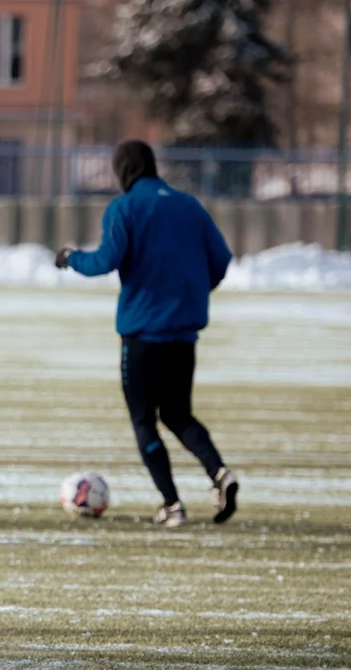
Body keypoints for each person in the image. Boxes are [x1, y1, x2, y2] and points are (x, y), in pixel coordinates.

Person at [55, 139, 239, 527]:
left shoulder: (125, 208)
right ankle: (220, 473)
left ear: (124, 171)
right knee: (178, 413)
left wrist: (71, 258)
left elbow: (105, 261)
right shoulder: (189, 205)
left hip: (142, 335)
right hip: (184, 333)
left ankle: (172, 504)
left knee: (144, 420)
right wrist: (190, 294)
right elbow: (221, 261)